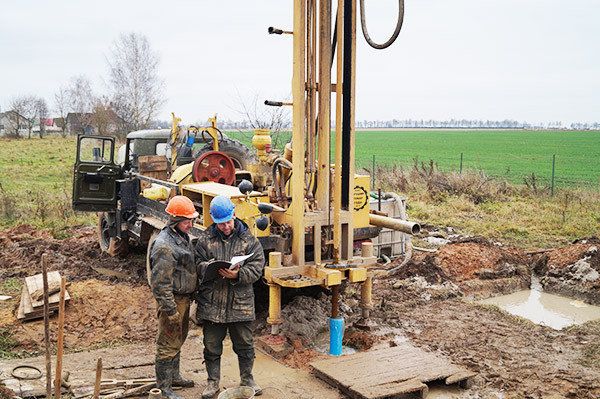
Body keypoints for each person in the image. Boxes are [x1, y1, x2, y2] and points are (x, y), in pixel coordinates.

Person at [195, 196, 265, 398]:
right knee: (211, 345)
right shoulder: (205, 240)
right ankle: (212, 382)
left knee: (245, 344)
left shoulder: (249, 241)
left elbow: (257, 268)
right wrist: (208, 267)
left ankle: (247, 379)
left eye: (228, 221)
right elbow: (197, 264)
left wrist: (239, 274)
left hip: (240, 303)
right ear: (213, 221)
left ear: (234, 214)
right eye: (221, 223)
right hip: (212, 303)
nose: (225, 226)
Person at [150, 195, 198, 399]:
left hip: (183, 299)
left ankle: (175, 377)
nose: (191, 224)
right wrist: (170, 310)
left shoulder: (181, 237)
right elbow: (160, 284)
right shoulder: (164, 246)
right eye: (187, 221)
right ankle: (164, 388)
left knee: (179, 338)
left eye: (192, 220)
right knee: (167, 343)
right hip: (174, 300)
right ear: (175, 220)